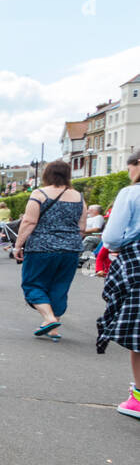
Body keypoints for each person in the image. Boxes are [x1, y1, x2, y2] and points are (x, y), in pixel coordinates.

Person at [14, 160, 85, 337]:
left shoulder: (39, 194)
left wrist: (18, 245)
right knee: (60, 286)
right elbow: (82, 227)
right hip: (70, 249)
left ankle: (49, 317)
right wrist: (69, 241)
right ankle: (53, 327)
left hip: (41, 247)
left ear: (47, 175)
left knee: (32, 284)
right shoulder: (79, 197)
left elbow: (29, 222)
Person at [96, 149, 140, 418]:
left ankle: (138, 398)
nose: (129, 172)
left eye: (130, 167)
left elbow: (111, 237)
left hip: (136, 261)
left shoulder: (131, 194)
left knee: (139, 334)